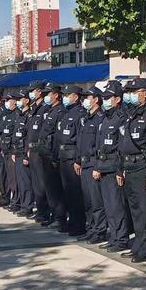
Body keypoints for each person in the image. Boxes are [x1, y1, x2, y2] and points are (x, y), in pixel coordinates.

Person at [118, 78, 146, 263]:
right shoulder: (132, 113)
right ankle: (138, 243)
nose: (129, 95)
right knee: (135, 210)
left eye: (134, 91)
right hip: (130, 167)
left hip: (143, 167)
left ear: (145, 93)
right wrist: (121, 169)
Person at [93, 80, 130, 253]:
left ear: (117, 99)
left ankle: (121, 239)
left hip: (114, 166)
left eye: (108, 97)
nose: (105, 100)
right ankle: (114, 236)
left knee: (116, 206)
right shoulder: (105, 117)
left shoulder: (121, 118)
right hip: (104, 166)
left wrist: (119, 170)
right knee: (108, 206)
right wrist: (98, 167)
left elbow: (121, 146)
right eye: (104, 97)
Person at [75, 86, 107, 243]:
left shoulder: (100, 118)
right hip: (84, 163)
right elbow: (81, 141)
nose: (86, 100)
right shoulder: (86, 117)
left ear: (96, 99)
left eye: (88, 97)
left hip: (94, 164)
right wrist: (78, 160)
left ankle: (99, 230)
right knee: (87, 200)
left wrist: (97, 166)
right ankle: (91, 228)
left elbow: (99, 145)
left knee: (96, 202)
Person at [56, 84, 86, 236]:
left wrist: (78, 159)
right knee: (67, 192)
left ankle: (78, 224)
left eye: (68, 95)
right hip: (63, 156)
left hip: (72, 155)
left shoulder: (79, 113)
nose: (65, 98)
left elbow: (80, 139)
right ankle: (71, 221)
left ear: (75, 96)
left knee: (75, 193)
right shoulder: (66, 113)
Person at [37, 82, 67, 232]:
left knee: (56, 189)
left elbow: (57, 136)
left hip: (52, 155)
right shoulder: (49, 110)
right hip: (44, 154)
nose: (46, 96)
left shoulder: (60, 111)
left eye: (48, 93)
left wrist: (55, 156)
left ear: (56, 94)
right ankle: (53, 215)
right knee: (49, 189)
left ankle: (60, 218)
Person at [26, 81, 51, 223]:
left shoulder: (45, 109)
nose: (31, 93)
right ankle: (41, 211)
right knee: (36, 183)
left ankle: (46, 212)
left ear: (40, 92)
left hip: (40, 150)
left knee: (43, 183)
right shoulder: (33, 108)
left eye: (33, 91)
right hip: (33, 150)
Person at [12, 89, 35, 217]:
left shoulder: (29, 115)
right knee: (20, 181)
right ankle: (23, 204)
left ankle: (28, 206)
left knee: (26, 182)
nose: (17, 102)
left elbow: (28, 137)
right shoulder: (19, 115)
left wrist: (27, 154)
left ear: (26, 100)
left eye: (20, 99)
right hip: (18, 152)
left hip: (24, 153)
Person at [0, 91, 20, 212]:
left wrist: (13, 151)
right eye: (5, 101)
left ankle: (16, 201)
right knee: (10, 178)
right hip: (6, 150)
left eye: (8, 100)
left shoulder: (17, 114)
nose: (6, 103)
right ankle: (14, 200)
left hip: (13, 151)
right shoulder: (7, 114)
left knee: (15, 178)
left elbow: (15, 135)